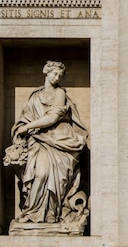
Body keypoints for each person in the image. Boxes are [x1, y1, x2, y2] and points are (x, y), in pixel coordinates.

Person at [7, 61, 88, 224]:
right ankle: (33, 212)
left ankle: (52, 213)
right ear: (46, 71)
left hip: (59, 139)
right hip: (37, 140)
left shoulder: (60, 93)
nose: (57, 77)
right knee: (41, 173)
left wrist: (28, 127)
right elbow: (25, 117)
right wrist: (21, 128)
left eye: (60, 75)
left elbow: (53, 118)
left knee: (55, 178)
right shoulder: (35, 96)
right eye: (54, 73)